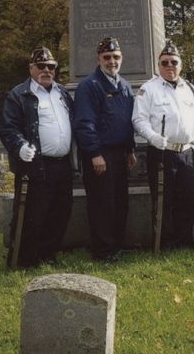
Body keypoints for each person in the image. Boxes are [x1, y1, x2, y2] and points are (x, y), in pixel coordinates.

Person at [0, 47, 74, 268]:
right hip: (36, 164)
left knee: (59, 212)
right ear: (31, 68)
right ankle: (25, 259)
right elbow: (8, 128)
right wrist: (20, 146)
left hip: (63, 164)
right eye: (40, 66)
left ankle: (48, 255)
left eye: (51, 67)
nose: (46, 71)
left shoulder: (62, 93)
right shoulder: (19, 94)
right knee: (33, 213)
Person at [133, 41, 194, 249]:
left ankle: (184, 241)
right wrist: (152, 137)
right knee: (163, 201)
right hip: (161, 152)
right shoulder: (148, 89)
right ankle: (166, 243)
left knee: (185, 200)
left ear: (181, 65)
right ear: (158, 66)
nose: (169, 66)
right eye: (164, 62)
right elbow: (139, 120)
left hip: (186, 152)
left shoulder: (191, 90)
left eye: (173, 62)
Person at [73, 37, 136, 262]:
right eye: (107, 57)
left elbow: (127, 121)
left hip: (120, 154)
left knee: (119, 202)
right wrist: (94, 153)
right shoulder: (89, 86)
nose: (112, 61)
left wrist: (130, 149)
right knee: (102, 204)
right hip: (101, 155)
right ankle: (102, 250)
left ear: (122, 59)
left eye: (116, 57)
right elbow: (84, 123)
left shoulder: (126, 86)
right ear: (98, 58)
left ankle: (116, 246)